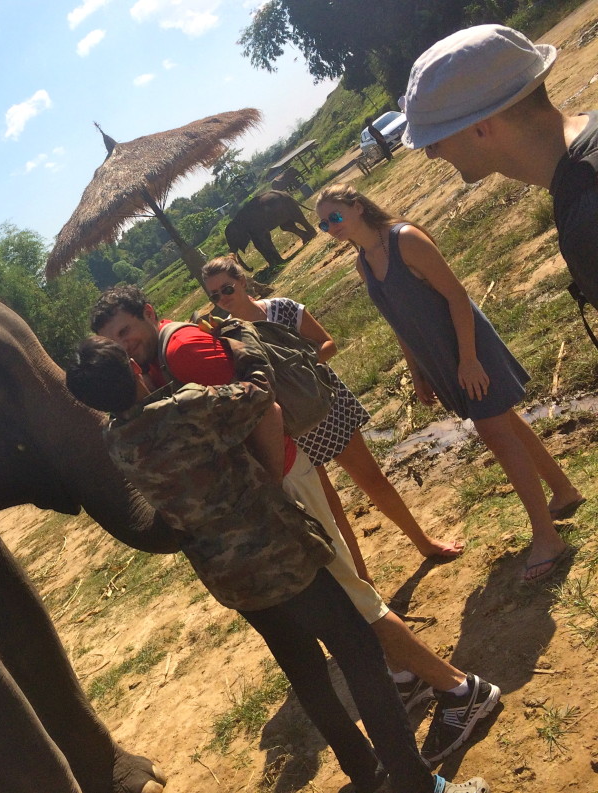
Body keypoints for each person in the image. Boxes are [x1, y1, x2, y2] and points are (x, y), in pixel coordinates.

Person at [91, 285, 500, 763]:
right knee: (344, 592)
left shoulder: (182, 351)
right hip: (274, 490)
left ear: (148, 312)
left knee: (349, 597)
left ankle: (461, 691)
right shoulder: (157, 359)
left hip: (281, 484)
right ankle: (405, 673)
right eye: (112, 341)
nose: (124, 346)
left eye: (125, 332)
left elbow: (267, 409)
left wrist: (266, 485)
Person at [315, 183, 584, 585]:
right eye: (323, 224)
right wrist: (416, 370)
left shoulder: (405, 239)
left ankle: (547, 537)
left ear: (357, 207)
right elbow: (398, 320)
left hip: (468, 346)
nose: (330, 227)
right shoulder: (363, 262)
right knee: (503, 421)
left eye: (335, 217)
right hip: (438, 357)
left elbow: (458, 296)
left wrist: (470, 359)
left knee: (494, 431)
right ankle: (564, 492)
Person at [201, 254, 463, 582]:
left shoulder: (282, 309)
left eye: (226, 288)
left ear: (241, 281)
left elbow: (328, 344)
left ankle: (423, 542)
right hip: (290, 427)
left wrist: (295, 369)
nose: (223, 298)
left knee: (372, 480)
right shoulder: (226, 339)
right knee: (330, 508)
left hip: (326, 406)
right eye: (214, 296)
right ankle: (365, 582)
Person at [400, 24, 598, 313]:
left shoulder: (588, 223)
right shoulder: (589, 131)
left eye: (433, 142)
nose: (431, 155)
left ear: (480, 130)